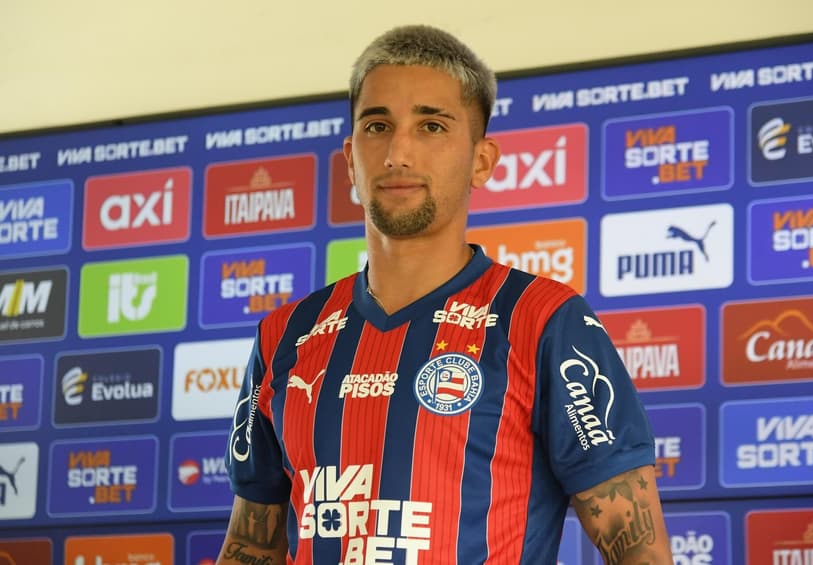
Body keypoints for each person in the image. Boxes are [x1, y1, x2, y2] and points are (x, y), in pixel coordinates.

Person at [218, 24, 673, 565]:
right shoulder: (285, 334)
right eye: (377, 126)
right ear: (350, 158)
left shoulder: (544, 320)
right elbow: (252, 545)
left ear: (482, 161)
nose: (398, 152)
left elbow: (637, 547)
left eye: (431, 125)